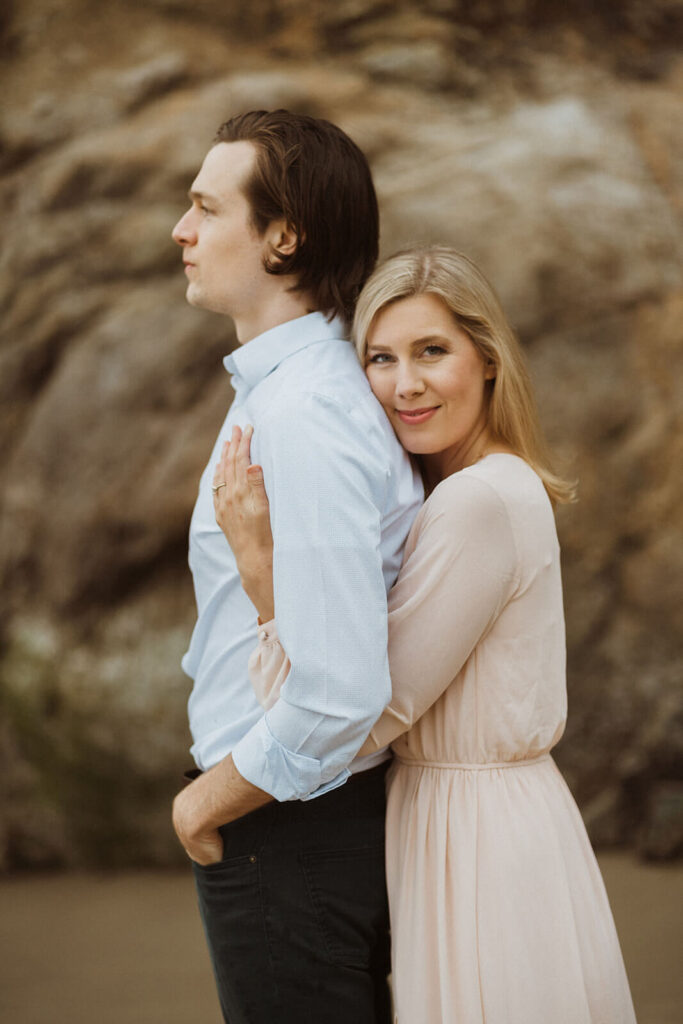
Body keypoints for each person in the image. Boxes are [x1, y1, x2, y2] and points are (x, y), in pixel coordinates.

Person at [214, 246, 637, 1023]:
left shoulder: (477, 502)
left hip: (479, 838)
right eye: (379, 357)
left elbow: (367, 706)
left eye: (431, 352)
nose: (403, 384)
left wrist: (260, 571)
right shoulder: (479, 489)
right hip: (464, 818)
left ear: (487, 361)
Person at [170, 110, 423, 1023]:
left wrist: (205, 804)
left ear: (285, 235)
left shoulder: (303, 413)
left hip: (287, 823)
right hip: (300, 819)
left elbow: (338, 687)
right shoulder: (295, 394)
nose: (181, 231)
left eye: (205, 207)